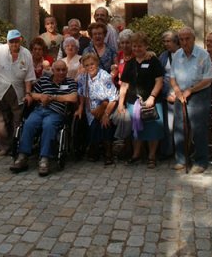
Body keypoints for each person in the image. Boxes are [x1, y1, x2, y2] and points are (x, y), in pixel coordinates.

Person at [10, 60, 77, 176]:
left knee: (48, 124)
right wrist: (41, 96)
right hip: (40, 110)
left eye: (64, 70)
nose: (61, 72)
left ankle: (45, 158)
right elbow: (33, 94)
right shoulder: (44, 80)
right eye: (58, 70)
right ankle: (22, 156)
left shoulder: (70, 82)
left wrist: (53, 98)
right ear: (52, 70)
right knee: (29, 123)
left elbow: (73, 97)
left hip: (56, 112)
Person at [170, 27, 212, 173]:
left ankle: (201, 162)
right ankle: (181, 160)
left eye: (187, 39)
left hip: (199, 94)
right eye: (181, 39)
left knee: (198, 128)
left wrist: (190, 90)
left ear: (194, 39)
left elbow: (208, 79)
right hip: (180, 94)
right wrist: (177, 90)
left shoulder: (203, 55)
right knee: (179, 127)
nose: (184, 42)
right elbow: (172, 77)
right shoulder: (177, 54)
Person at [118, 32, 164, 169]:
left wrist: (152, 97)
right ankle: (136, 155)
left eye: (140, 46)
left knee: (153, 129)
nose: (137, 49)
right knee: (136, 130)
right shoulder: (130, 63)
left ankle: (151, 156)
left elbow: (159, 81)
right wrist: (121, 103)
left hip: (152, 101)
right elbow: (124, 84)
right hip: (133, 102)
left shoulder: (153, 60)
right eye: (135, 46)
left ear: (146, 46)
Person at [0, 29, 36, 155]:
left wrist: (28, 93)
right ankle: (4, 147)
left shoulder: (26, 54)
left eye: (16, 41)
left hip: (18, 91)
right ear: (7, 42)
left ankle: (17, 145)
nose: (14, 44)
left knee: (17, 119)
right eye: (12, 42)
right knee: (0, 120)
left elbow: (29, 77)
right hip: (0, 89)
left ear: (20, 40)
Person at [77, 53, 118, 165]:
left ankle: (108, 152)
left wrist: (106, 114)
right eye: (87, 65)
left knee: (105, 123)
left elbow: (113, 98)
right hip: (91, 110)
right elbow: (81, 93)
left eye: (92, 64)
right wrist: (80, 106)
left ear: (97, 63)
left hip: (107, 107)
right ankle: (94, 147)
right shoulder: (82, 77)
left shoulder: (105, 76)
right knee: (93, 124)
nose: (90, 67)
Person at [159, 30, 180, 159]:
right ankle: (168, 151)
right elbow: (159, 74)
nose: (166, 44)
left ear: (175, 41)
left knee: (178, 124)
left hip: (179, 92)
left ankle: (180, 151)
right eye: (164, 41)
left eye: (169, 41)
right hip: (165, 93)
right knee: (167, 124)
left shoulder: (182, 54)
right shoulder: (163, 56)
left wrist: (174, 92)